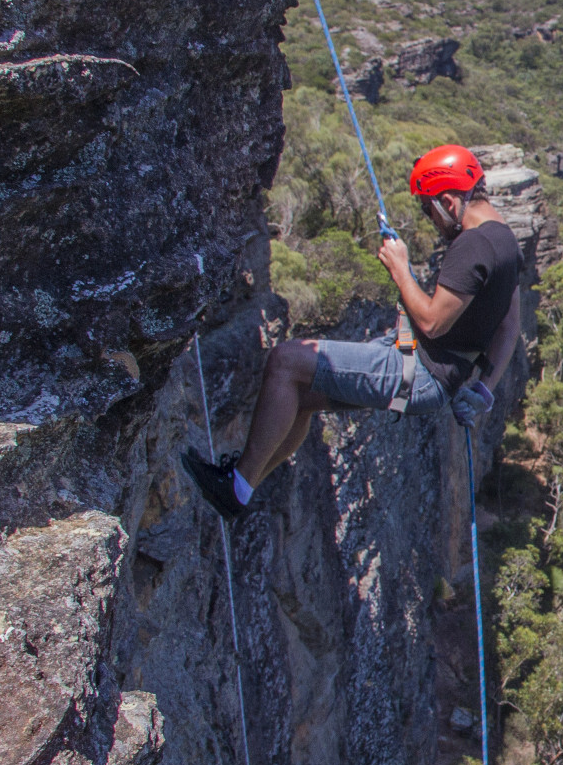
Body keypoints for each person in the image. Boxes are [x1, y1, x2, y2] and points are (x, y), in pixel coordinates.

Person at [182, 144, 521, 520]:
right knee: (303, 394)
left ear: (449, 201)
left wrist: (400, 268)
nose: (431, 219)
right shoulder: (505, 239)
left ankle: (237, 486)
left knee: (285, 361)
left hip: (420, 373)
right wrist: (484, 389)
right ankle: (243, 487)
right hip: (429, 371)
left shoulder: (472, 245)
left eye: (429, 209)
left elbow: (431, 321)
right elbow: (510, 323)